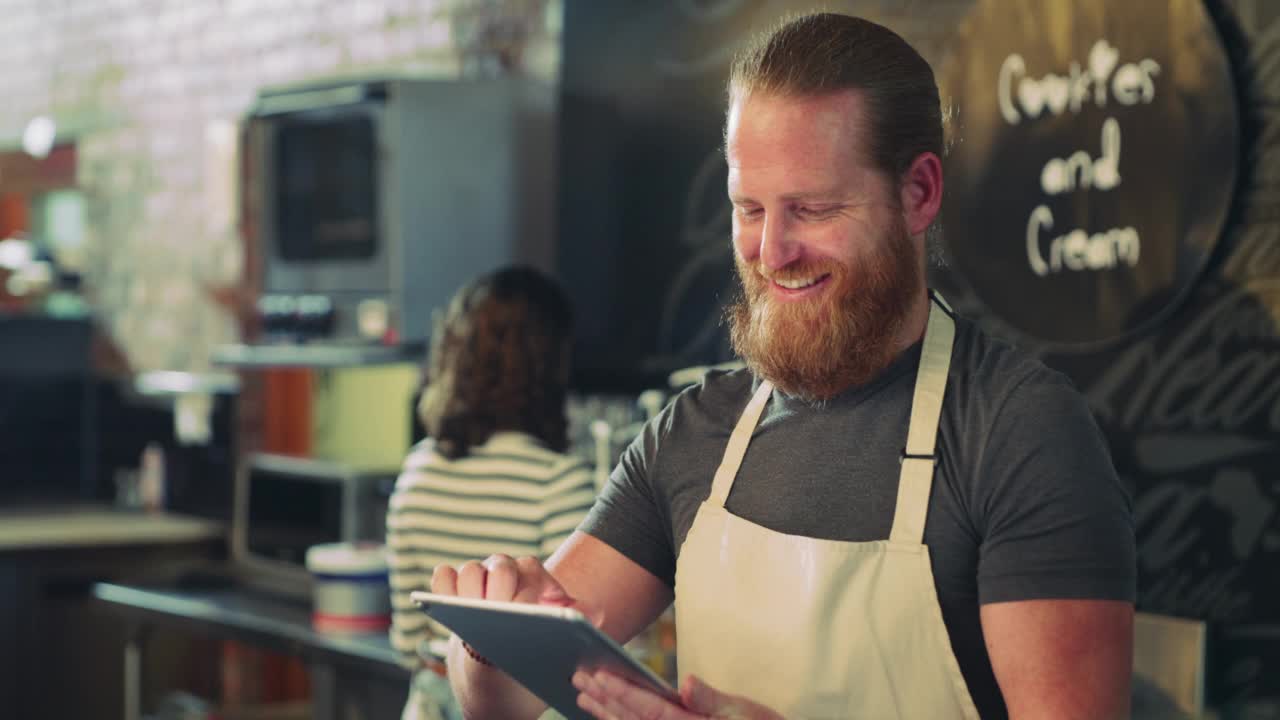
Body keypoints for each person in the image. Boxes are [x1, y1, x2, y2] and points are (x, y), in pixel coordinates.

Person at [429, 13, 1136, 720]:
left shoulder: (1019, 434)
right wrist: (491, 639)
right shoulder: (693, 434)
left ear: (918, 193)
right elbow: (507, 703)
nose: (771, 251)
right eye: (748, 208)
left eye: (812, 208)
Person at [386, 266, 596, 720]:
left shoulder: (417, 470)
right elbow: (576, 654)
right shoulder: (557, 480)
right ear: (551, 365)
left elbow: (407, 644)